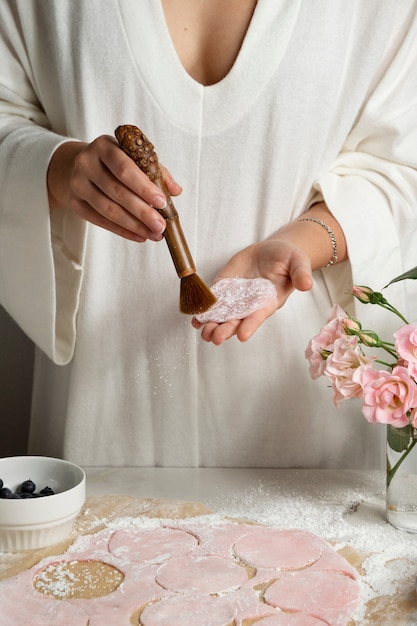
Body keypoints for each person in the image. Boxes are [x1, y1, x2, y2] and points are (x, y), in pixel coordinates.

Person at [1, 0, 417, 468]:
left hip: (297, 417)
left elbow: (401, 167)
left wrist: (306, 240)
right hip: (105, 411)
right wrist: (60, 170)